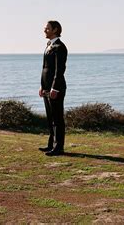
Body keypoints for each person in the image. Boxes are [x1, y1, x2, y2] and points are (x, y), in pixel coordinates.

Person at [38, 20, 68, 156]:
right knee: (50, 118)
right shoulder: (49, 46)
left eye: (47, 28)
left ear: (55, 30)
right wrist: (42, 86)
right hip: (46, 88)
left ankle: (59, 147)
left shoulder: (60, 47)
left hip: (55, 89)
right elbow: (45, 69)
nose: (44, 30)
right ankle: (51, 144)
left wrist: (54, 88)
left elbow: (59, 70)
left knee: (57, 119)